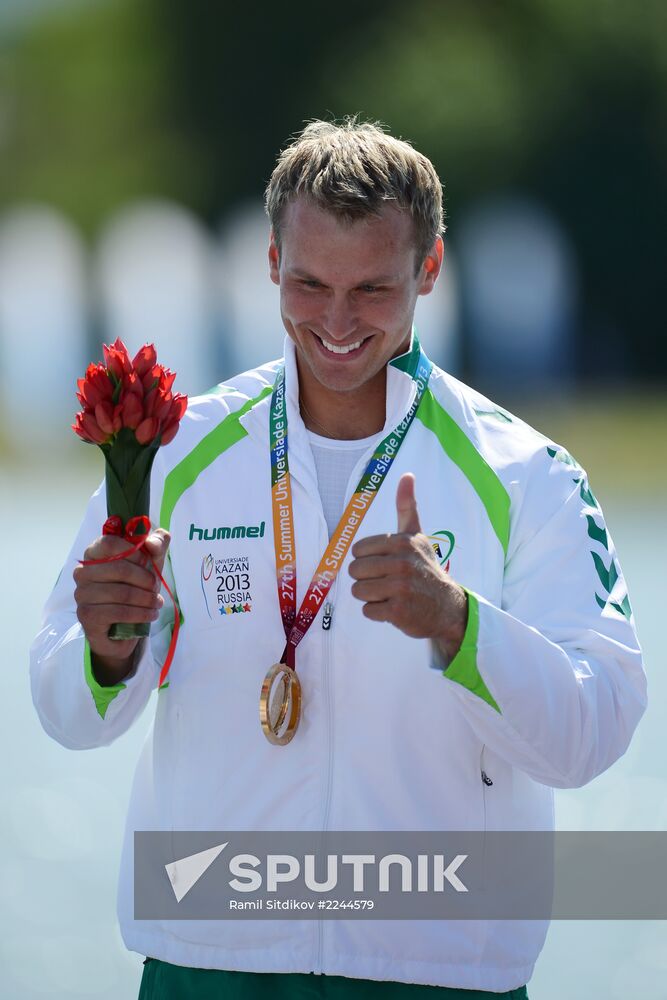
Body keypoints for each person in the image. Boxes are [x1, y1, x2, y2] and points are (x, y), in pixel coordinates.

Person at [30, 119, 646, 999]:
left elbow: (596, 728)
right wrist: (105, 650)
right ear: (272, 262)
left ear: (429, 271)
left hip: (437, 969)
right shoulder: (175, 451)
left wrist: (459, 626)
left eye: (372, 289)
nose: (336, 321)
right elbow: (67, 710)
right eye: (311, 283)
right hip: (209, 959)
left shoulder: (526, 474)